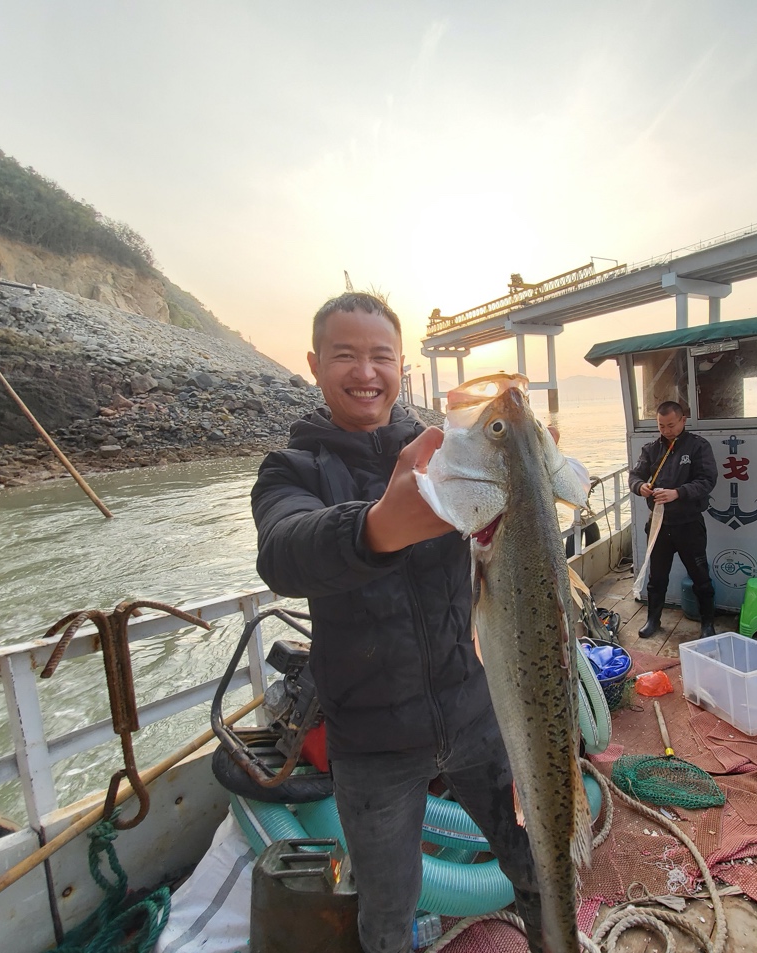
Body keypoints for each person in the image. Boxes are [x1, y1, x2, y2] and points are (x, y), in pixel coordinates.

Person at [250, 292, 544, 953]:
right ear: (314, 364)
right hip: (373, 742)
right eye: (345, 355)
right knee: (386, 913)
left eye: (381, 355)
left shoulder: (447, 452)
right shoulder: (291, 469)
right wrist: (376, 527)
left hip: (475, 715)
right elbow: (284, 549)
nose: (365, 372)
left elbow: (513, 498)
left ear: (402, 365)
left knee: (536, 863)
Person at [628, 400, 718, 639]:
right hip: (659, 523)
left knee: (700, 576)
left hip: (689, 523)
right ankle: (653, 620)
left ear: (682, 420)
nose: (666, 431)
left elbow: (707, 480)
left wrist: (677, 492)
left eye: (671, 425)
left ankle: (707, 623)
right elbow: (635, 475)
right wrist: (641, 487)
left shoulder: (698, 446)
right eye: (661, 426)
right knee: (657, 577)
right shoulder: (651, 449)